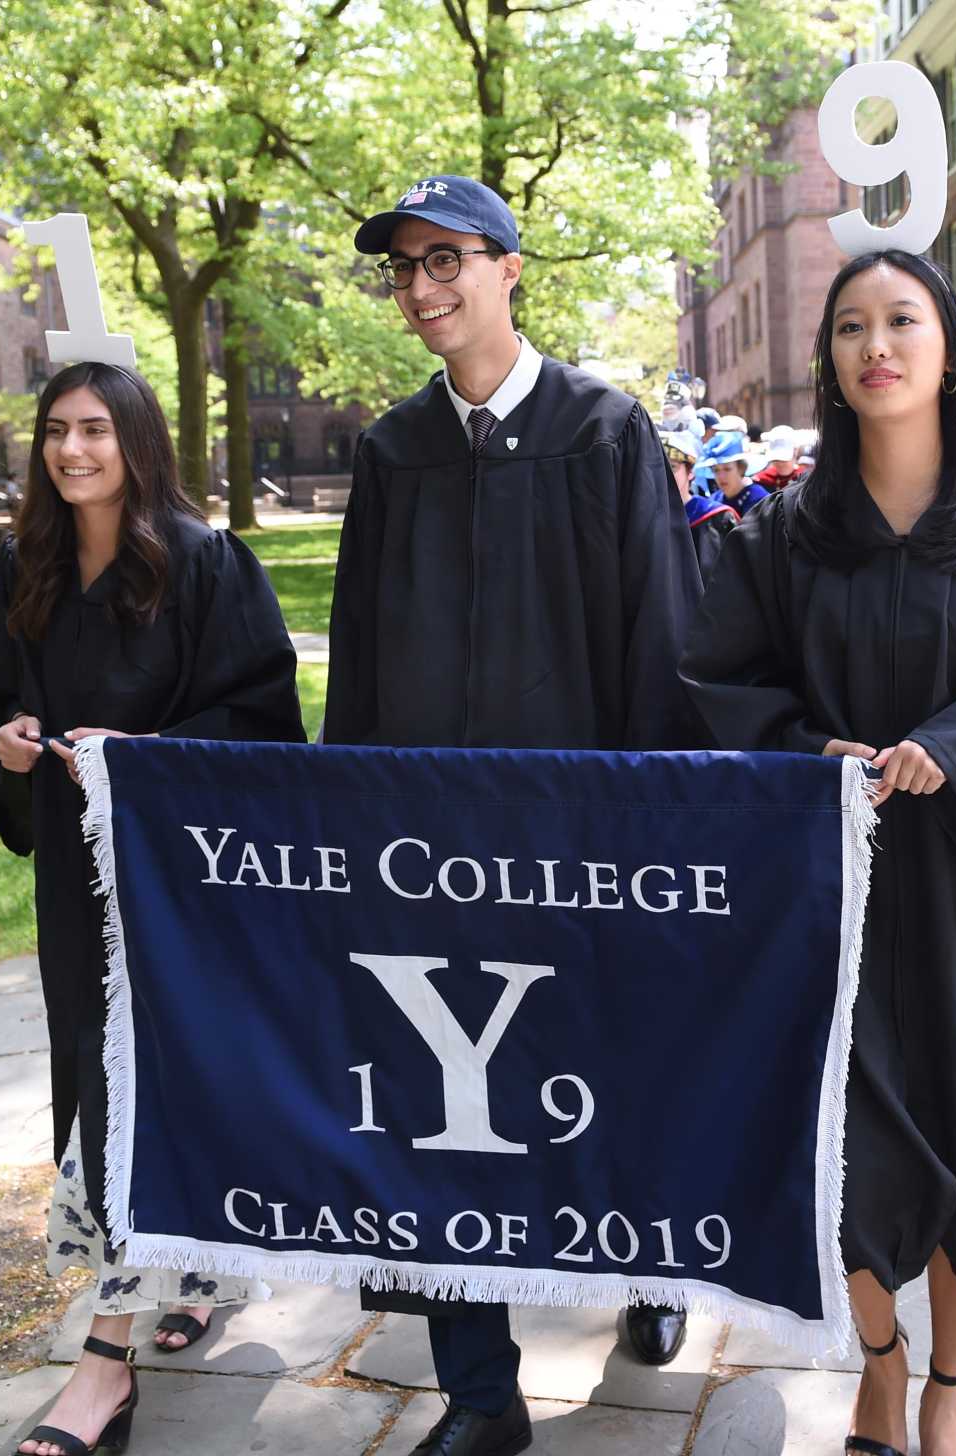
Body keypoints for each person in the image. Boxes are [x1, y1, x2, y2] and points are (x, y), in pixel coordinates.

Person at [680, 249, 956, 1456]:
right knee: (846, 1139)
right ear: (828, 358)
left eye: (901, 320)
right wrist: (807, 749)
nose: (875, 345)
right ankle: (878, 1355)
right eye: (851, 326)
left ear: (945, 352)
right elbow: (716, 683)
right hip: (833, 887)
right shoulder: (779, 541)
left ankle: (951, 1384)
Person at [331, 173, 702, 1456]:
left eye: (448, 260)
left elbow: (660, 650)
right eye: (406, 267)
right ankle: (480, 1394)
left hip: (581, 843)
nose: (424, 287)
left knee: (609, 1072)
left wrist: (650, 828)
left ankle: (651, 1267)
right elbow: (362, 669)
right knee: (445, 1113)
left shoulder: (603, 431)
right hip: (428, 854)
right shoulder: (390, 455)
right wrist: (352, 835)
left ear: (509, 267)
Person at [0, 362, 307, 1456]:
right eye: (56, 432)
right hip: (76, 874)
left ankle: (114, 1353)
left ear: (139, 441)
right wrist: (14, 742)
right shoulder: (25, 565)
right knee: (98, 1081)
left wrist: (155, 758)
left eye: (95, 431)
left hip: (184, 876)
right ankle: (153, 1306)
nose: (72, 452)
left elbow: (265, 720)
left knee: (172, 1077)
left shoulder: (205, 563)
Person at [665, 429, 739, 583]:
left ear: (690, 472)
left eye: (672, 467)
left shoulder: (716, 518)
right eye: (658, 467)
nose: (664, 474)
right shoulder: (646, 518)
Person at [708, 432, 770, 514]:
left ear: (741, 469)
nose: (721, 476)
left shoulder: (759, 499)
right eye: (716, 470)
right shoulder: (714, 500)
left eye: (727, 469)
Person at [753, 425, 807, 490]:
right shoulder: (762, 480)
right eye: (776, 459)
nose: (780, 464)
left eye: (784, 459)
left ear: (795, 451)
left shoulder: (805, 479)